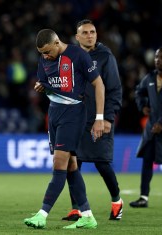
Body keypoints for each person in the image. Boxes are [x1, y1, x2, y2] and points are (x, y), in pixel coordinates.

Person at [23, 29, 105, 229]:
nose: (45, 56)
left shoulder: (78, 55)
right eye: (41, 53)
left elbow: (99, 84)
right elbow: (44, 83)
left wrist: (100, 118)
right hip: (54, 113)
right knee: (71, 167)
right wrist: (40, 87)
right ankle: (87, 216)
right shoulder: (44, 59)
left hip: (73, 113)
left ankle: (42, 214)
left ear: (57, 42)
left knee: (59, 163)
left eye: (48, 51)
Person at [61, 19, 123, 221]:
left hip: (98, 119)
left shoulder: (105, 57)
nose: (90, 35)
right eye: (85, 33)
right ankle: (76, 208)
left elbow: (114, 88)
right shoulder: (69, 56)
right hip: (75, 119)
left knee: (102, 164)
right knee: (73, 163)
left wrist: (107, 118)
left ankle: (116, 201)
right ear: (77, 37)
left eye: (93, 32)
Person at [130, 46, 162, 208]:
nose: (158, 60)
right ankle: (143, 197)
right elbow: (139, 92)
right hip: (153, 127)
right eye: (157, 57)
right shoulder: (150, 77)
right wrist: (143, 105)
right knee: (147, 160)